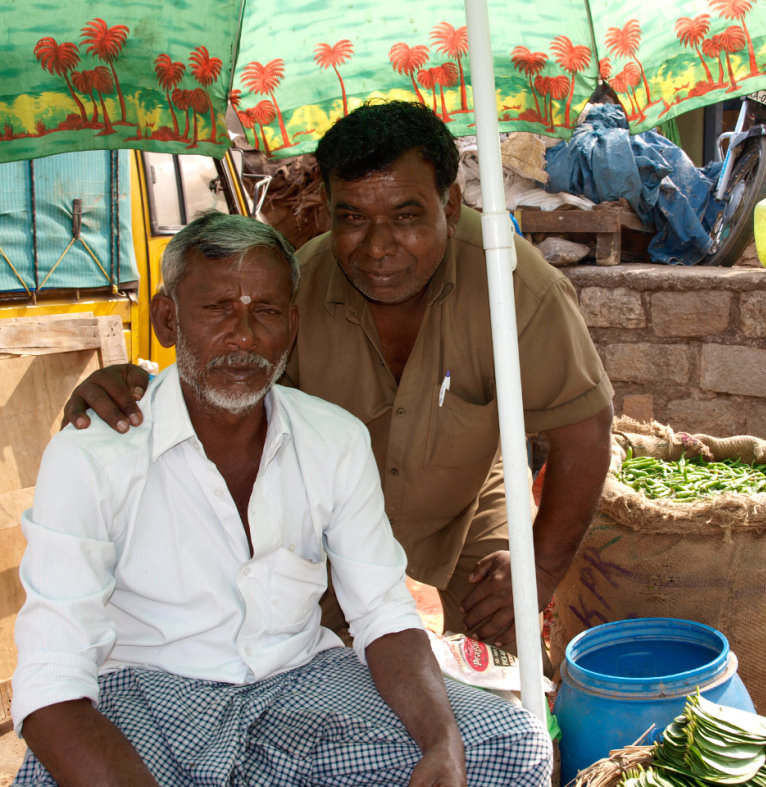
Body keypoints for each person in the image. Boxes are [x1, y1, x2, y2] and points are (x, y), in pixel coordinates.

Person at [12, 213, 551, 786]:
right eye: (217, 308)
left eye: (265, 311)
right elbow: (53, 672)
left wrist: (442, 741)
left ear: (291, 327)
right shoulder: (94, 454)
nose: (243, 335)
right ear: (167, 319)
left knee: (507, 743)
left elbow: (382, 612)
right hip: (147, 690)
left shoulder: (334, 439)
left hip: (300, 683)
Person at [63, 100, 614, 654]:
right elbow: (222, 380)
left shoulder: (516, 286)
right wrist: (135, 386)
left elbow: (583, 435)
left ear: (449, 204)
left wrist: (537, 571)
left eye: (406, 216)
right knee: (308, 662)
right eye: (352, 218)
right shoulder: (296, 289)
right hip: (326, 528)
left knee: (506, 651)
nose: (377, 248)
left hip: (466, 503)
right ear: (326, 208)